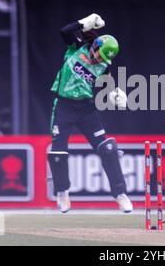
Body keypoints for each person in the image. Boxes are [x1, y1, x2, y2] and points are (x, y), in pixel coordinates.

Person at [48, 13, 133, 214]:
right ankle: (62, 192)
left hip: (86, 108)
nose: (97, 60)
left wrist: (115, 93)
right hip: (64, 105)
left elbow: (109, 83)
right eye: (97, 55)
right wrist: (83, 22)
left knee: (108, 149)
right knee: (58, 152)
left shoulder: (103, 65)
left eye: (102, 59)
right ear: (94, 46)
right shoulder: (76, 47)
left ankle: (120, 194)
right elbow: (64, 31)